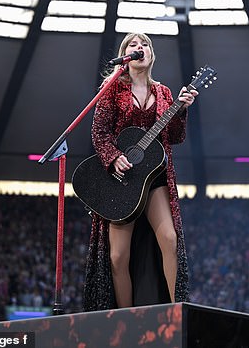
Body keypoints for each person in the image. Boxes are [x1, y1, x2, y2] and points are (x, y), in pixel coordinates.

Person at [82, 32, 198, 311]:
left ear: (151, 54)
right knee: (118, 256)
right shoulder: (111, 89)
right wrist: (113, 158)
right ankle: (126, 316)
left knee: (169, 239)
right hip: (122, 179)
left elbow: (176, 136)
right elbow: (99, 134)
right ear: (126, 55)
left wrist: (181, 111)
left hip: (154, 178)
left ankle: (175, 309)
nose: (139, 47)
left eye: (144, 44)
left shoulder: (164, 93)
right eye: (133, 45)